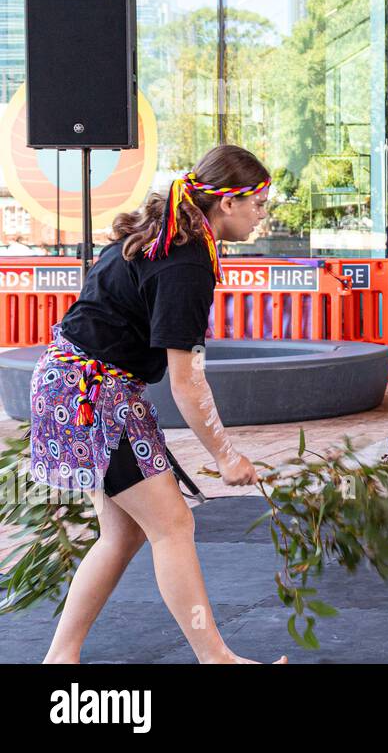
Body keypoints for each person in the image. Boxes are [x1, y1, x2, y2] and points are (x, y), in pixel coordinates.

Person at [27, 144, 284, 664]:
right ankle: (217, 659)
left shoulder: (171, 240)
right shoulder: (186, 262)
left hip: (83, 385)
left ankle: (60, 656)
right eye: (258, 202)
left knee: (122, 535)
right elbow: (187, 382)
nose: (263, 214)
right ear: (227, 204)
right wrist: (226, 456)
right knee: (172, 526)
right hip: (89, 394)